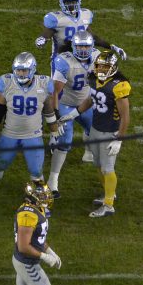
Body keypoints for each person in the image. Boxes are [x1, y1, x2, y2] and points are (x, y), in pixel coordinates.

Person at [0, 53, 59, 207]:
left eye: (24, 71)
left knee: (36, 171)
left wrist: (54, 132)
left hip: (33, 135)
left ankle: (41, 202)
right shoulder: (7, 83)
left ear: (32, 70)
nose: (20, 74)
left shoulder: (43, 84)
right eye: (18, 70)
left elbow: (49, 111)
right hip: (10, 134)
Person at [67, 50, 130, 217]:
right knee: (98, 165)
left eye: (105, 67)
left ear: (114, 67)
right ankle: (109, 194)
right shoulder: (93, 79)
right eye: (99, 66)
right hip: (95, 128)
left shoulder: (118, 86)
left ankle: (109, 206)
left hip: (110, 132)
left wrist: (119, 139)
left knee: (108, 168)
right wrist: (74, 114)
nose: (101, 70)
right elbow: (90, 100)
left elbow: (125, 116)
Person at [7, 178, 61, 285]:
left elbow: (38, 238)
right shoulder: (28, 214)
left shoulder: (36, 210)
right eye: (42, 195)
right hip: (27, 262)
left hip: (23, 260)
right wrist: (44, 257)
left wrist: (50, 250)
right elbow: (23, 246)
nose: (46, 197)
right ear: (33, 197)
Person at [46, 31, 99, 198]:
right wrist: (54, 116)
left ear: (92, 47)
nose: (83, 49)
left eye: (86, 46)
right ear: (74, 46)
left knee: (94, 130)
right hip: (66, 104)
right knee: (65, 141)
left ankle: (88, 152)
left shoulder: (98, 58)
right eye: (80, 46)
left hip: (87, 102)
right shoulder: (64, 61)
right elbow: (55, 92)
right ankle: (52, 180)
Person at [34, 0, 127, 59]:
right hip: (62, 58)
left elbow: (93, 37)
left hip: (82, 57)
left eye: (73, 2)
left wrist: (112, 47)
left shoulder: (85, 15)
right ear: (61, 3)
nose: (70, 5)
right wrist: (42, 38)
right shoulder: (57, 19)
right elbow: (48, 32)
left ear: (79, 1)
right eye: (68, 2)